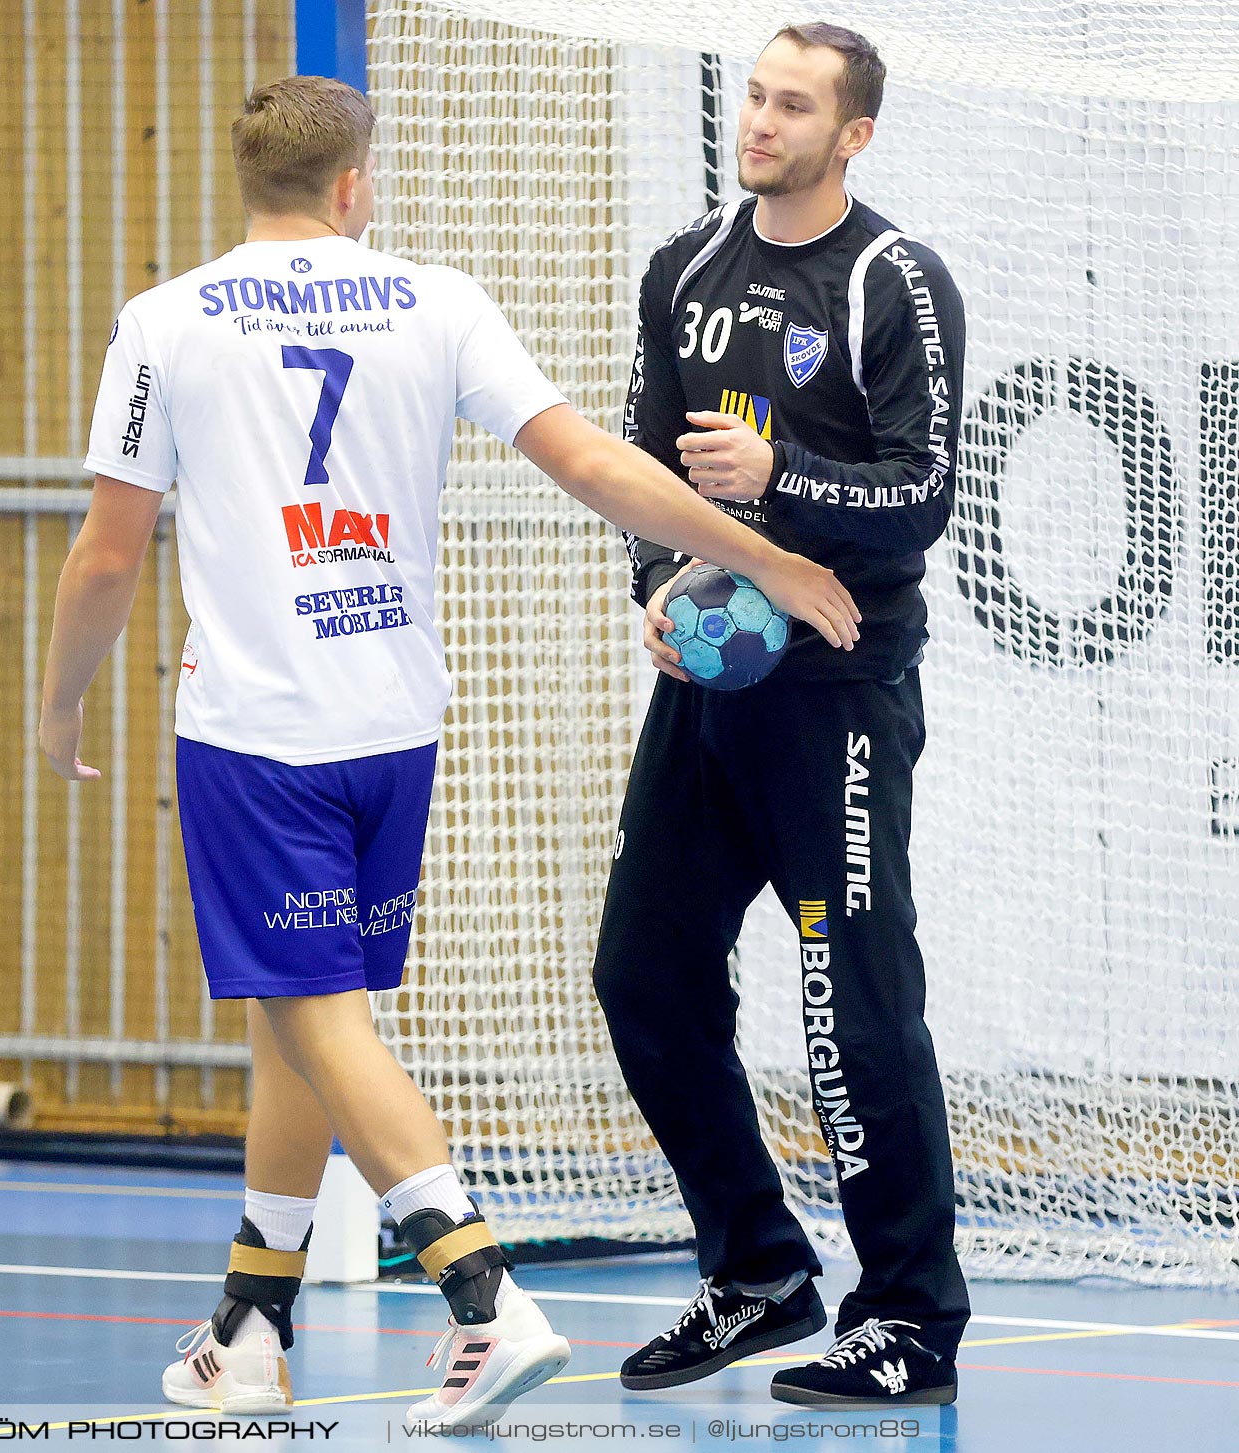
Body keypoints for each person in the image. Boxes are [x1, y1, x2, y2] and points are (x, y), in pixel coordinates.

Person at [40, 75, 858, 1430]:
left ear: (249, 181)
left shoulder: (166, 320)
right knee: (293, 1022)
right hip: (394, 726)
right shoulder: (435, 300)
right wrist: (762, 552)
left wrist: (60, 702)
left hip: (260, 731)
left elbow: (109, 552)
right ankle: (253, 1319)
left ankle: (486, 1297)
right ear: (357, 186)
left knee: (316, 1014)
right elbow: (596, 465)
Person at [595, 23, 970, 1406]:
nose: (760, 120)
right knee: (642, 972)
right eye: (755, 94)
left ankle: (911, 1317)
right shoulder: (685, 266)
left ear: (851, 132)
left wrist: (781, 474)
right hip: (707, 687)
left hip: (839, 694)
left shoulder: (891, 278)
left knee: (852, 1009)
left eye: (793, 104)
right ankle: (757, 1266)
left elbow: (924, 489)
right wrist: (658, 580)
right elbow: (643, 458)